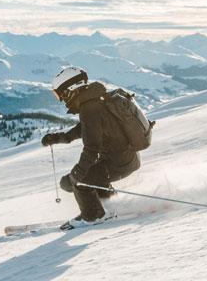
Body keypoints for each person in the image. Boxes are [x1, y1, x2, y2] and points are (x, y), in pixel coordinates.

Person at [42, 66, 141, 229]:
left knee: (80, 180)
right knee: (74, 180)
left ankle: (93, 216)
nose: (61, 99)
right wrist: (59, 138)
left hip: (118, 162)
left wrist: (77, 175)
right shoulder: (96, 101)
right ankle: (108, 205)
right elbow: (86, 129)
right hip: (124, 158)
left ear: (70, 90)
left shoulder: (90, 109)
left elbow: (91, 149)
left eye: (60, 94)